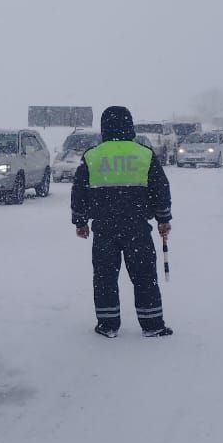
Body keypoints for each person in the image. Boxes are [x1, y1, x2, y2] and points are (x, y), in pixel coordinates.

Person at [71, 106, 174, 338]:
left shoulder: (92, 155)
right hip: (137, 228)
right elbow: (160, 189)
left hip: (104, 229)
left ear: (104, 127)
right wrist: (163, 219)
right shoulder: (144, 154)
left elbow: (79, 191)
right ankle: (152, 325)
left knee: (105, 278)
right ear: (130, 125)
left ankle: (107, 325)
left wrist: (80, 221)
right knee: (145, 276)